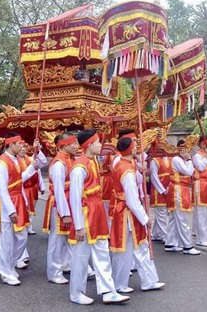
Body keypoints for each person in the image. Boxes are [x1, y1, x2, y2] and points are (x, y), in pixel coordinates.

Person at [68, 129, 129, 305]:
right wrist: (78, 225)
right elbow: (75, 198)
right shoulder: (79, 167)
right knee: (81, 256)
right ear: (88, 145)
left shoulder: (92, 161)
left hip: (97, 212)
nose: (101, 145)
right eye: (97, 142)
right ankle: (76, 293)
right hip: (86, 215)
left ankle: (108, 291)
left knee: (102, 252)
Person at [110, 136, 165, 293]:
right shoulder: (126, 170)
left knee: (136, 249)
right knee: (132, 249)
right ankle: (122, 283)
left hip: (126, 212)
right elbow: (132, 200)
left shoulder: (122, 164)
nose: (137, 148)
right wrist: (145, 218)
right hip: (128, 214)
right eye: (135, 146)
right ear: (131, 149)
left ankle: (146, 280)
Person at [0, 132, 46, 285]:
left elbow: (37, 166)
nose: (22, 146)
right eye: (19, 144)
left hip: (19, 200)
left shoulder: (16, 160)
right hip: (6, 205)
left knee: (22, 236)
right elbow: (2, 190)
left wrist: (37, 150)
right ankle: (6, 273)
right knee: (6, 240)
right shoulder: (1, 164)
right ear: (10, 145)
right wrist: (11, 211)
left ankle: (10, 265)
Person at [43, 132, 77, 285]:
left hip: (70, 202)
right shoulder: (59, 164)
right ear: (64, 145)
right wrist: (64, 214)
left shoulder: (70, 160)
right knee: (57, 240)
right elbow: (58, 190)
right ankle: (54, 272)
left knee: (68, 237)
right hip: (60, 204)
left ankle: (66, 263)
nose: (77, 146)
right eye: (74, 144)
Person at [164, 139, 200, 255]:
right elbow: (189, 172)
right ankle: (187, 246)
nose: (188, 152)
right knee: (182, 219)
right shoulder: (177, 159)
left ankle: (170, 243)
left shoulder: (179, 159)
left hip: (181, 190)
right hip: (178, 191)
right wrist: (189, 160)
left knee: (174, 219)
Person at [149, 143, 172, 243]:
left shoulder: (171, 159)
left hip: (169, 189)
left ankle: (155, 234)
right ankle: (167, 236)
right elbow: (154, 177)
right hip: (159, 191)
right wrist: (162, 190)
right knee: (162, 214)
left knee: (162, 214)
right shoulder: (155, 161)